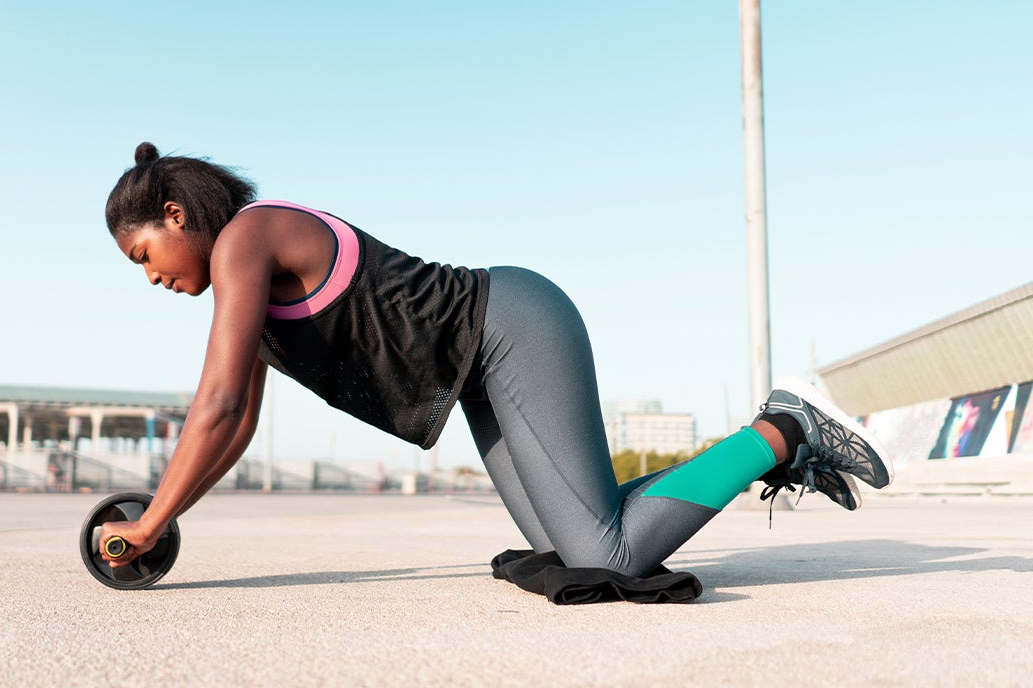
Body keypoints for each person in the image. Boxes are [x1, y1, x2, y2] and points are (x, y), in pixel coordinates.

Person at [97, 142, 893, 585]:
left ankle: (783, 430)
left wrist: (153, 521)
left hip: (514, 327)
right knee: (572, 538)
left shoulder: (246, 237)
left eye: (144, 254)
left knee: (606, 558)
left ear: (175, 216)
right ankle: (771, 439)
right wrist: (164, 518)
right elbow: (234, 428)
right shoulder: (246, 284)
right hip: (478, 370)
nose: (152, 275)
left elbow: (218, 405)